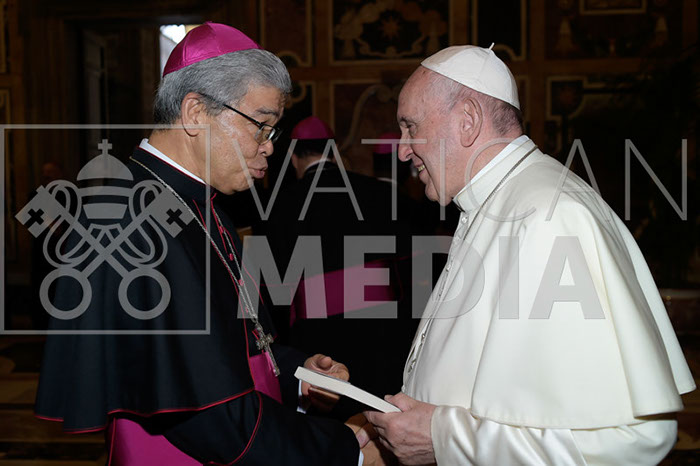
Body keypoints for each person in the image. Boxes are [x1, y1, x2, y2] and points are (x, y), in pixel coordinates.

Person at [33, 22, 365, 465]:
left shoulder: (201, 204)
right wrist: (345, 450)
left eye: (273, 131)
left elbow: (230, 346)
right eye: (261, 126)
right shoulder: (126, 222)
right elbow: (206, 414)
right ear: (194, 113)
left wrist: (297, 374)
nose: (270, 147)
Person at [359, 44, 696, 465]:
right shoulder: (494, 203)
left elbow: (633, 437)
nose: (403, 150)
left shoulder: (550, 217)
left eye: (411, 127)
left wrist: (443, 439)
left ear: (467, 121)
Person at [260, 117, 419, 402]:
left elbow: (274, 288)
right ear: (333, 152)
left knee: (329, 406)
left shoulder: (279, 204)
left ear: (294, 158)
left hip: (318, 338)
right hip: (382, 332)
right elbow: (410, 266)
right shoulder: (379, 192)